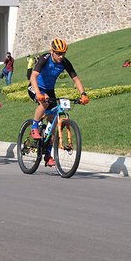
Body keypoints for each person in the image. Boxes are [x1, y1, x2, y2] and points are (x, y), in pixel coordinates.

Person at [28, 39, 89, 167]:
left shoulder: (65, 62)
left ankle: (48, 155)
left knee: (54, 122)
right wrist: (38, 93)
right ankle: (34, 127)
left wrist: (83, 94)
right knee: (44, 102)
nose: (61, 56)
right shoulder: (45, 58)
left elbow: (75, 78)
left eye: (63, 53)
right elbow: (33, 76)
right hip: (35, 87)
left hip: (50, 90)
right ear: (52, 51)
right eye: (58, 53)